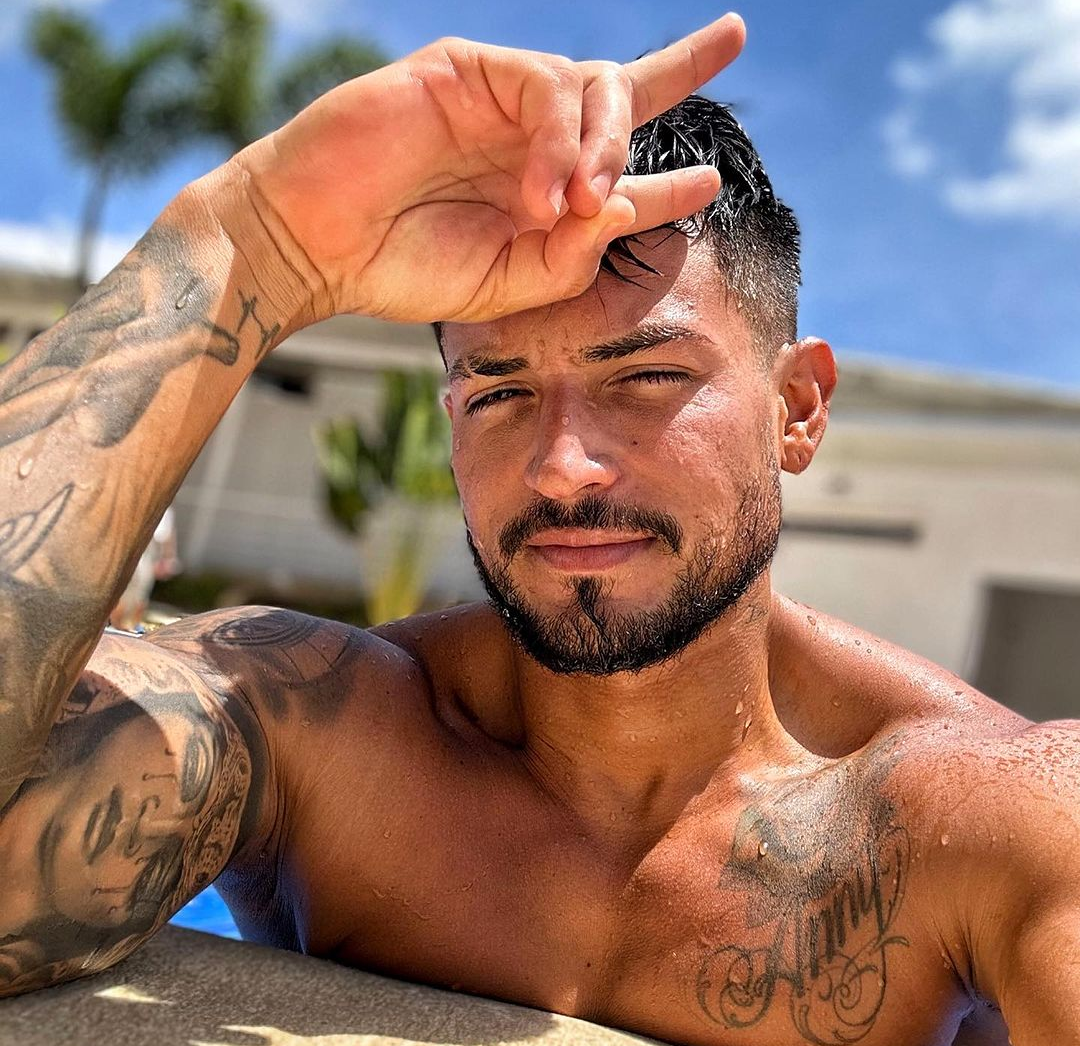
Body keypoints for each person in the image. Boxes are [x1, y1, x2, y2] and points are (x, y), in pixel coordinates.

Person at [0, 13, 1075, 1044]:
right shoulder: (316, 732)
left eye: (647, 378)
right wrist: (253, 236)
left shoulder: (982, 823)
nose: (563, 464)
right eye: (499, 392)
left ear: (797, 409)